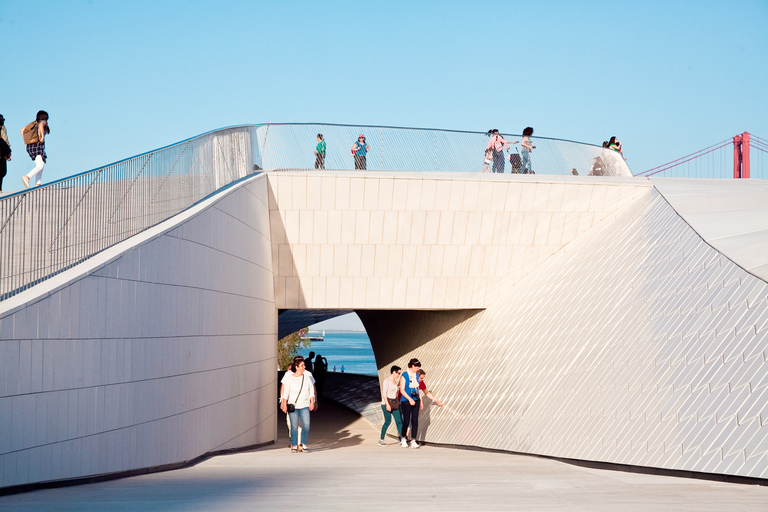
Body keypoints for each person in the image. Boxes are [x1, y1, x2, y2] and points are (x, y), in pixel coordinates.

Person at [280, 356, 316, 453]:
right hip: (293, 406)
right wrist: (283, 403)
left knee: (306, 425)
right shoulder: (290, 379)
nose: (304, 367)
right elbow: (285, 392)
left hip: (304, 405)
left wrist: (312, 402)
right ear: (296, 367)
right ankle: (295, 444)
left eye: (304, 365)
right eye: (302, 365)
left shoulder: (307, 377)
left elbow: (311, 391)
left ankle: (303, 443)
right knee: (294, 426)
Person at [21, 110, 50, 188]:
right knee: (40, 165)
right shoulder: (43, 122)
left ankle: (38, 184)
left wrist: (26, 140)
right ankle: (27, 177)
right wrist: (42, 137)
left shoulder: (32, 124)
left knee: (40, 164)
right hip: (37, 145)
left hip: (29, 147)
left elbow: (22, 130)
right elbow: (41, 125)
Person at [399, 358, 422, 448]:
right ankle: (404, 438)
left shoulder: (416, 375)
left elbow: (417, 389)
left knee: (415, 420)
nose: (418, 369)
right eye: (417, 367)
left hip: (415, 399)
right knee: (406, 420)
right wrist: (409, 399)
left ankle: (413, 440)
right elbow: (402, 390)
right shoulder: (404, 375)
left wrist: (420, 400)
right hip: (406, 401)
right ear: (412, 366)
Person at [379, 365, 403, 446]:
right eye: (398, 373)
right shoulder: (387, 380)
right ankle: (381, 439)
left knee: (399, 421)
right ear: (394, 372)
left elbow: (395, 393)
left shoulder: (394, 381)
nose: (399, 375)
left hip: (394, 404)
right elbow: (384, 394)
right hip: (387, 404)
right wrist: (387, 405)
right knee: (388, 421)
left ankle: (403, 438)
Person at [0, 114, 10, 194]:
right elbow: (5, 140)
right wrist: (8, 152)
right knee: (2, 172)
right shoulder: (2, 128)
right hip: (1, 153)